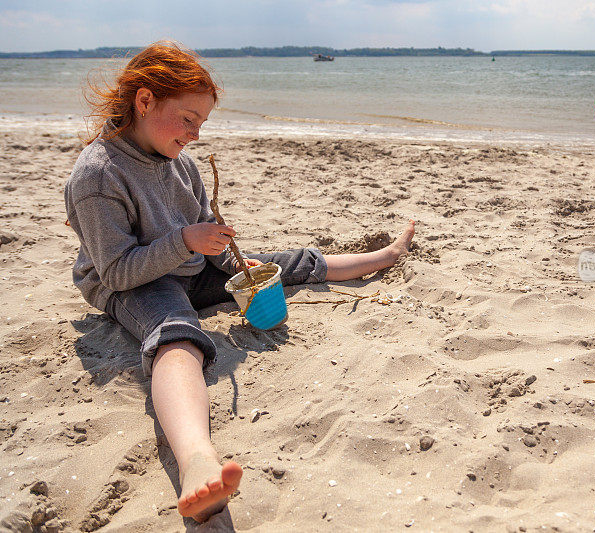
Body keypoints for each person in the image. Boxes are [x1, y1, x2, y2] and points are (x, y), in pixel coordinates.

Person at [65, 41, 415, 523]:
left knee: (271, 264)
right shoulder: (99, 175)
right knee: (177, 333)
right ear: (144, 102)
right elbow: (118, 271)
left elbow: (203, 233)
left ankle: (378, 256)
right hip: (132, 282)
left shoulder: (183, 165)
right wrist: (187, 239)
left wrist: (232, 262)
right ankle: (196, 460)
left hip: (186, 264)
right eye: (187, 119)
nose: (195, 134)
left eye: (202, 123)